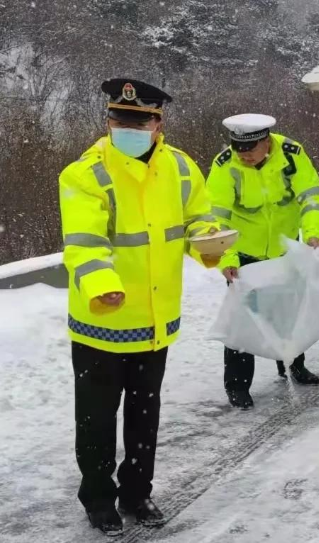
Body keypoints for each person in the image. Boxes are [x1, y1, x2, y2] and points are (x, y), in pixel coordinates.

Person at [59, 79, 220, 535]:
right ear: (108, 122)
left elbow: (198, 219)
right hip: (101, 322)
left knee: (144, 415)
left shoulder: (182, 168)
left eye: (138, 121)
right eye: (119, 121)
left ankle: (136, 491)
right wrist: (102, 285)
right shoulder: (85, 174)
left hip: (154, 321)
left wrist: (212, 245)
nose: (127, 128)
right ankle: (98, 498)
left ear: (158, 123)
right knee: (95, 418)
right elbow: (84, 243)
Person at [206, 114, 319, 410]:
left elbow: (311, 197)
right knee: (243, 322)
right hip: (243, 253)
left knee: (288, 314)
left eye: (250, 148)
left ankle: (293, 366)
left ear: (266, 141)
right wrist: (228, 258)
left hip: (285, 249)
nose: (244, 155)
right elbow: (215, 219)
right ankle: (237, 385)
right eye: (239, 149)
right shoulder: (225, 165)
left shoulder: (291, 155)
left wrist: (312, 234)